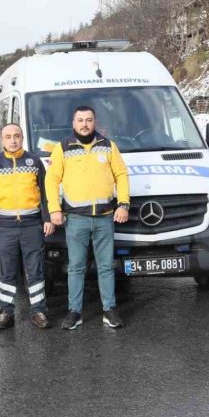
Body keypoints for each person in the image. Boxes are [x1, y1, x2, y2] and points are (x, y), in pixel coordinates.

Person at [46, 105, 130, 331]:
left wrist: (123, 204)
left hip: (104, 218)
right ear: (73, 124)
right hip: (75, 219)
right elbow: (51, 180)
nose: (84, 124)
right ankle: (74, 312)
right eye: (80, 120)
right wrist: (54, 209)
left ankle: (109, 310)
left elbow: (121, 175)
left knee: (106, 267)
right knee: (75, 267)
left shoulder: (108, 146)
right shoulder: (62, 148)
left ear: (95, 122)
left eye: (89, 120)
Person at [0, 123, 54, 330]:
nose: (13, 140)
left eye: (17, 136)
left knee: (35, 271)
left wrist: (47, 218)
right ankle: (6, 312)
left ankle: (38, 310)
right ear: (2, 140)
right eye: (8, 137)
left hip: (32, 225)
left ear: (22, 138)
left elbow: (46, 194)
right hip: (5, 227)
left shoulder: (34, 161)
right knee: (7, 272)